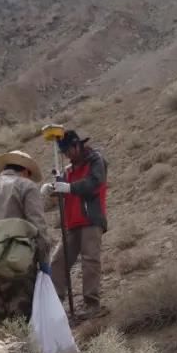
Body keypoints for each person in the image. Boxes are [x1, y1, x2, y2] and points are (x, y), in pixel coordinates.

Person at [0, 150, 52, 324]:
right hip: (20, 269)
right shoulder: (27, 187)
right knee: (21, 324)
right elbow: (39, 229)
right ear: (26, 171)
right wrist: (44, 262)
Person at [40, 130, 108, 318]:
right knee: (58, 261)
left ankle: (92, 305)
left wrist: (70, 187)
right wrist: (53, 188)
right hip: (72, 222)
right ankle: (54, 305)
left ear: (77, 145)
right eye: (64, 152)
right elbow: (64, 189)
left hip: (90, 219)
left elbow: (95, 183)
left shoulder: (96, 161)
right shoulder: (69, 169)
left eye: (68, 150)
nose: (67, 155)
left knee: (90, 260)